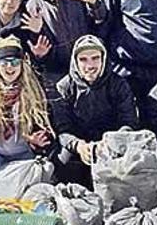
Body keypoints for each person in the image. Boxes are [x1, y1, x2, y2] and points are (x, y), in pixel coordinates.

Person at [0, 36, 56, 186]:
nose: (9, 68)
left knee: (38, 173)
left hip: (23, 153)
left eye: (14, 62)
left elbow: (47, 129)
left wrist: (38, 142)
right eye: (4, 63)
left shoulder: (34, 91)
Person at [52, 35, 138, 188]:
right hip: (78, 146)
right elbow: (62, 129)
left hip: (110, 144)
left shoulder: (119, 84)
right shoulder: (64, 87)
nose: (90, 65)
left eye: (95, 58)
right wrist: (78, 145)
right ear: (75, 62)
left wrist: (109, 142)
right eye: (83, 59)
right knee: (62, 162)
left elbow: (128, 121)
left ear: (103, 59)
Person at [23, 0, 105, 98]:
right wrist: (39, 52)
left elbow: (102, 20)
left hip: (90, 64)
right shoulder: (32, 6)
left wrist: (94, 3)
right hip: (59, 72)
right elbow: (40, 51)